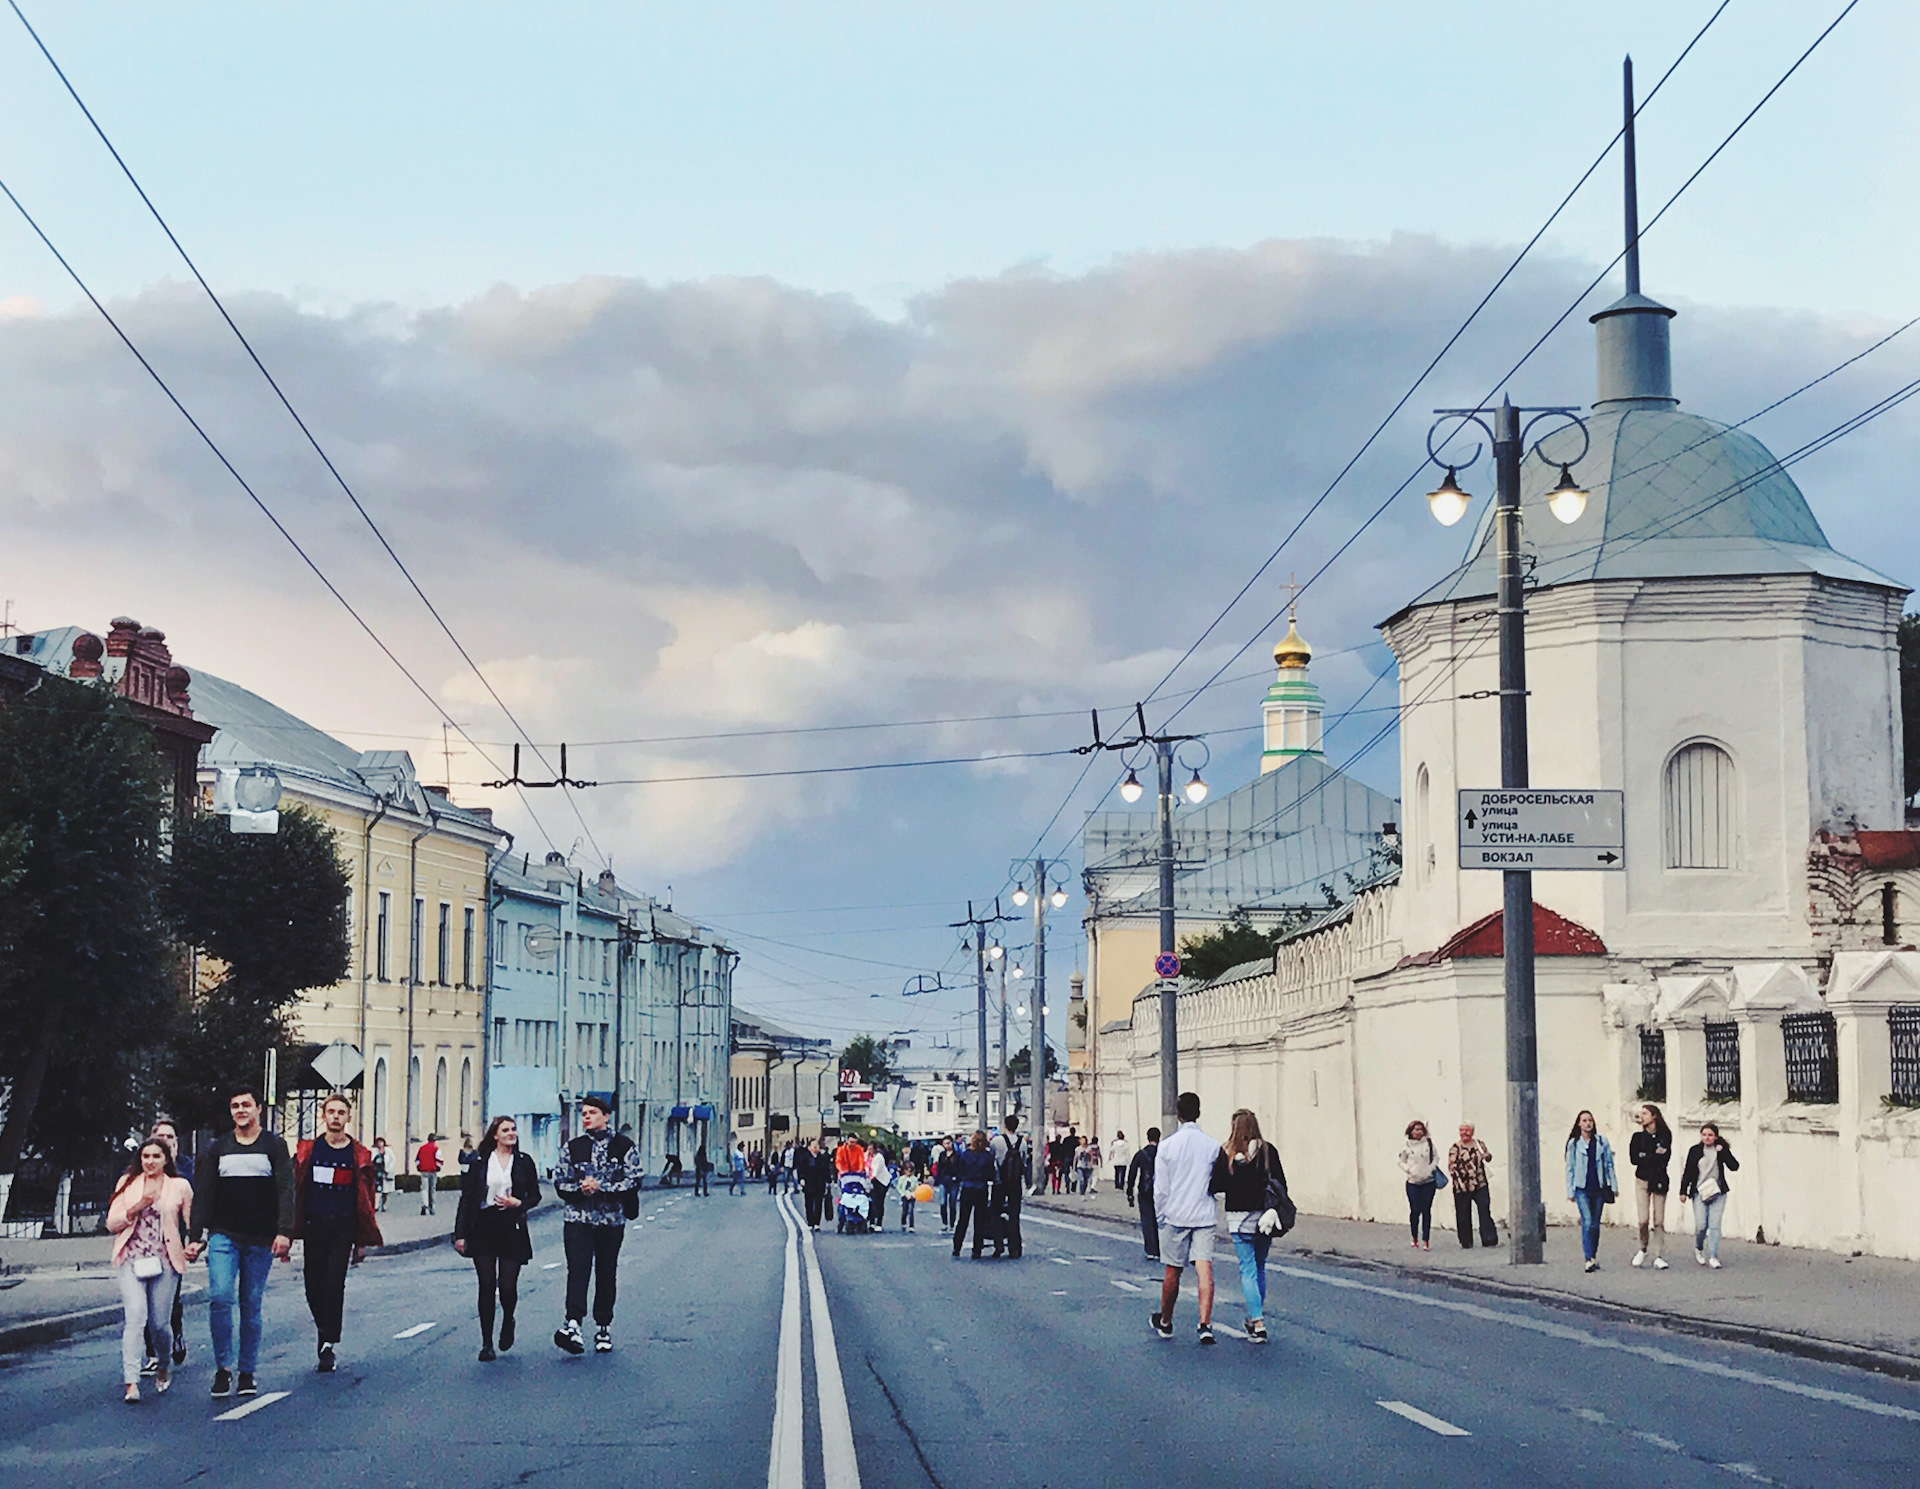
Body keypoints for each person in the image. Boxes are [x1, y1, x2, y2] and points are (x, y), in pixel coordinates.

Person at [187, 1085, 294, 1400]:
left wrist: (284, 1231)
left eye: (246, 1104)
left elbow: (286, 1190)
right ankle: (223, 1369)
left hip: (261, 1238)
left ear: (258, 1108)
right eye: (235, 1106)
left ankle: (247, 1371)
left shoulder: (274, 1146)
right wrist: (195, 1237)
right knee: (220, 1296)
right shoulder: (218, 1148)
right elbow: (203, 1194)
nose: (240, 1110)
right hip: (224, 1235)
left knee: (251, 1304)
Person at [291, 1092, 384, 1373]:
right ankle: (324, 1325)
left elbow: (367, 1197)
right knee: (312, 1284)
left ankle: (327, 1341)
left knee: (334, 1282)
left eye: (341, 1113)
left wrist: (363, 1239)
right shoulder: (308, 1151)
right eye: (330, 1112)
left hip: (343, 1225)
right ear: (323, 1115)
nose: (335, 1117)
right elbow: (296, 1187)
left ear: (348, 1117)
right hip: (314, 1225)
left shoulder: (358, 1155)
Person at [552, 1096, 642, 1354]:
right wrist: (581, 1189)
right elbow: (560, 1181)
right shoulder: (574, 1147)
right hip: (578, 1219)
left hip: (610, 1220)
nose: (586, 1117)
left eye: (592, 1112)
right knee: (577, 1270)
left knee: (606, 1271)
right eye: (583, 1113)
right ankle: (573, 1324)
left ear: (606, 1116)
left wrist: (603, 1188)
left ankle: (603, 1326)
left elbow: (633, 1179)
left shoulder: (623, 1146)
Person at [107, 1138, 191, 1403]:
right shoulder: (128, 1183)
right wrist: (136, 1207)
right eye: (146, 1156)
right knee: (135, 1317)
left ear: (166, 1159)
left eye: (156, 1156)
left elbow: (191, 1222)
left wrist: (196, 1244)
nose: (150, 1161)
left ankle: (163, 1363)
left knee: (160, 1324)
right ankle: (131, 1382)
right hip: (131, 1258)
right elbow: (111, 1223)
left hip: (164, 1261)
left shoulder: (179, 1186)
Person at [454, 1115, 541, 1361]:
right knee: (486, 1285)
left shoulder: (523, 1162)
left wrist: (519, 1203)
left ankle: (508, 1318)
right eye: (506, 1130)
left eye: (513, 1129)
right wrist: (460, 1234)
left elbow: (535, 1195)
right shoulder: (480, 1162)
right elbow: (467, 1199)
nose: (511, 1133)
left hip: (511, 1225)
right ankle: (486, 1343)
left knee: (507, 1286)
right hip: (483, 1225)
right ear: (495, 1135)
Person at [1210, 1109, 1287, 1344]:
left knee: (1247, 1269)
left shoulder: (1228, 1153)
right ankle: (1256, 1320)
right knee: (1260, 1267)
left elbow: (1216, 1184)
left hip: (1238, 1219)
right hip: (1264, 1218)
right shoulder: (1267, 1151)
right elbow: (1281, 1183)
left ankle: (1258, 1321)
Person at [1149, 1093, 1219, 1345]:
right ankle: (1204, 1324)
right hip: (1204, 1213)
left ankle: (1166, 1321)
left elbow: (1161, 1189)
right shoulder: (1212, 1145)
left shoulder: (1167, 1146)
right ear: (1198, 1113)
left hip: (1176, 1214)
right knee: (1204, 1268)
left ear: (1178, 1113)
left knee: (1172, 1271)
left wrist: (1160, 1216)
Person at [143, 1120, 192, 1373]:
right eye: (159, 1135)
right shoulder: (143, 1164)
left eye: (169, 1136)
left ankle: (176, 1330)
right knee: (145, 1298)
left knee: (168, 1298)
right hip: (143, 1243)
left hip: (173, 1244)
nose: (164, 1139)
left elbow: (192, 1199)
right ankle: (152, 1353)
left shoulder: (185, 1168)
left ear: (176, 1141)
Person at [1678, 1121, 1740, 1269]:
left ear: (1716, 1137)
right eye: (1704, 1135)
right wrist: (1683, 1191)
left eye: (1710, 1135)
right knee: (1701, 1225)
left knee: (1714, 1225)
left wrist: (1723, 1151)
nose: (1707, 1138)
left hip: (1718, 1192)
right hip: (1699, 1192)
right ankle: (1699, 1247)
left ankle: (1713, 1255)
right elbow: (1688, 1171)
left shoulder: (1720, 1150)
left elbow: (1734, 1166)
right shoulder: (1695, 1151)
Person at [1564, 1109, 1617, 1273]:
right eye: (1584, 1121)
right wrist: (1570, 1190)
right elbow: (1570, 1167)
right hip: (1582, 1188)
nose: (1588, 1124)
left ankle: (1593, 1256)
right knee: (1587, 1222)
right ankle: (1588, 1258)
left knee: (1595, 1224)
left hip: (1598, 1188)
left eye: (1590, 1121)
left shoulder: (1601, 1142)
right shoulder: (1574, 1144)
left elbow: (1609, 1164)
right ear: (1579, 1123)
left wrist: (1613, 1185)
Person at [1629, 1103, 1674, 1270]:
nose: (1642, 1117)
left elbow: (1665, 1157)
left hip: (1659, 1179)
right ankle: (1643, 1248)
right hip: (1642, 1179)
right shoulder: (1637, 1137)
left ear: (1654, 1116)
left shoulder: (1665, 1135)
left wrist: (1648, 1156)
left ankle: (1658, 1254)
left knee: (1659, 1220)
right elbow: (1634, 1158)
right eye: (1641, 1114)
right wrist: (1652, 1155)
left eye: (1645, 1113)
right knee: (1643, 1219)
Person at [1447, 1123, 1498, 1249]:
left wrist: (1486, 1156)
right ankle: (1466, 1241)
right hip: (1462, 1184)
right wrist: (1459, 1183)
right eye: (1462, 1130)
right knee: (1463, 1213)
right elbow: (1452, 1167)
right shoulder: (1455, 1147)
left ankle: (1489, 1238)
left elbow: (1488, 1157)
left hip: (1480, 1182)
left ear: (1472, 1131)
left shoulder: (1479, 1144)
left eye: (1467, 1130)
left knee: (1484, 1208)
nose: (1464, 1133)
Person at [950, 1131, 997, 1259]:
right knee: (979, 1221)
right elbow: (991, 1174)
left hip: (967, 1188)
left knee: (963, 1219)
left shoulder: (965, 1155)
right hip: (981, 1188)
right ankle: (977, 1250)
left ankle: (957, 1247)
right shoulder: (987, 1156)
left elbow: (960, 1171)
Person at [1397, 1119, 1439, 1250]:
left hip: (1428, 1182)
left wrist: (1430, 1169)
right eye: (1416, 1129)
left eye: (1420, 1129)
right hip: (1413, 1182)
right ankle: (1414, 1237)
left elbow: (1436, 1158)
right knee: (1415, 1210)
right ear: (1410, 1131)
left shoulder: (1429, 1143)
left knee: (1426, 1210)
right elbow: (1400, 1161)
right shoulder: (1406, 1146)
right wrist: (1409, 1169)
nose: (1418, 1132)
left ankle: (1426, 1239)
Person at [989, 1114, 1025, 1260]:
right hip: (1016, 1183)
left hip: (1000, 1182)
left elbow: (992, 1159)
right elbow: (1024, 1161)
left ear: (1005, 1125)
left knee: (995, 1213)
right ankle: (1014, 1247)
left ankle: (998, 1244)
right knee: (1014, 1215)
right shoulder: (1022, 1142)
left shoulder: (997, 1141)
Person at [1126, 1127, 1161, 1263]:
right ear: (1159, 1137)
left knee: (1147, 1221)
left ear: (1147, 1137)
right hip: (1162, 1192)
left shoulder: (1141, 1154)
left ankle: (1151, 1250)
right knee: (1159, 1221)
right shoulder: (1163, 1152)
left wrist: (1130, 1192)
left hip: (1145, 1191)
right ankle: (1160, 1248)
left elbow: (1132, 1173)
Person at [801, 1139, 831, 1230]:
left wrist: (828, 1181)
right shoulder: (805, 1157)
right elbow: (801, 1169)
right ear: (809, 1147)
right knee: (809, 1203)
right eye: (813, 1145)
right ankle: (810, 1222)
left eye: (817, 1145)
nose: (815, 1147)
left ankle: (817, 1222)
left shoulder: (822, 1158)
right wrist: (801, 1179)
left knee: (818, 1203)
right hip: (809, 1182)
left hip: (819, 1182)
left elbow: (826, 1170)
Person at [935, 1136, 962, 1233]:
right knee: (943, 1202)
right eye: (945, 1143)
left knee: (952, 1203)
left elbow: (960, 1167)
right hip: (943, 1180)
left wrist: (958, 1177)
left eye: (949, 1143)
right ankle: (944, 1223)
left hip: (954, 1181)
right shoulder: (942, 1155)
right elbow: (939, 1168)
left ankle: (952, 1224)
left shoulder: (958, 1155)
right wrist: (937, 1179)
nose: (947, 1145)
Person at [416, 1133, 442, 1216]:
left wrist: (419, 1167)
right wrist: (438, 1167)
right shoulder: (436, 1149)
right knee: (432, 1190)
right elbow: (439, 1160)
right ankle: (432, 1207)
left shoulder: (422, 1148)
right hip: (432, 1171)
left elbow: (417, 1160)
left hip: (423, 1171)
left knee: (424, 1189)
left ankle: (425, 1205)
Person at [868, 1144, 893, 1230]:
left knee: (879, 1201)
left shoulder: (879, 1157)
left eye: (871, 1149)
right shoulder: (868, 1157)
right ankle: (871, 1222)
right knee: (872, 1201)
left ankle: (879, 1223)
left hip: (882, 1181)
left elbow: (876, 1171)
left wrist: (870, 1178)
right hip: (873, 1181)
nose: (869, 1151)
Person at [893, 1165, 919, 1232]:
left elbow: (917, 1188)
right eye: (907, 1171)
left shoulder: (914, 1179)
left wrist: (913, 1194)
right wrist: (903, 1194)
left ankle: (911, 1226)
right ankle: (903, 1222)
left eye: (910, 1171)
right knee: (905, 1210)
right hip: (904, 1196)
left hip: (912, 1196)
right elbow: (899, 1187)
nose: (909, 1173)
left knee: (911, 1210)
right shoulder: (902, 1179)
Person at [371, 1136, 392, 1213]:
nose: (380, 1144)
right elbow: (371, 1160)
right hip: (377, 1173)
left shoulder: (388, 1151)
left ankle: (384, 1205)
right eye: (378, 1143)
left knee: (385, 1191)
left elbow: (393, 1160)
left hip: (386, 1172)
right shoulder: (374, 1151)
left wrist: (389, 1168)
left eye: (381, 1142)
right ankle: (376, 1206)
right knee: (377, 1190)